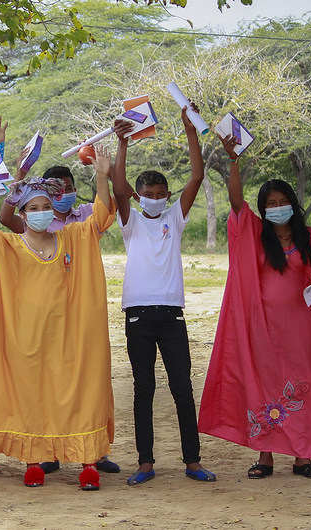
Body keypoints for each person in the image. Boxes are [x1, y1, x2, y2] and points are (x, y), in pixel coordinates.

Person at [0, 148, 117, 490]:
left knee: (82, 393)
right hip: (25, 340)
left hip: (73, 337)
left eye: (45, 207)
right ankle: (33, 461)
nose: (41, 213)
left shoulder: (74, 237)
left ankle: (88, 463)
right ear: (22, 212)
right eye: (33, 209)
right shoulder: (8, 245)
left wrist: (103, 176)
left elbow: (103, 216)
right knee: (30, 397)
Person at [197, 138, 311, 480]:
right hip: (265, 330)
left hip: (304, 330)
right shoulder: (256, 235)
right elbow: (235, 201)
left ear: (293, 204)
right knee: (266, 388)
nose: (278, 207)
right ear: (263, 209)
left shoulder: (306, 236)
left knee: (305, 387)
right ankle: (265, 456)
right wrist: (233, 161)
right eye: (271, 203)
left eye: (284, 202)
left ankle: (304, 456)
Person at [112, 104, 216, 485]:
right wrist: (122, 143)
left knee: (182, 387)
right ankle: (145, 463)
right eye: (147, 193)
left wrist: (191, 130)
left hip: (172, 315)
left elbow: (198, 175)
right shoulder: (130, 220)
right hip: (138, 314)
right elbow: (117, 186)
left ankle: (193, 461)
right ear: (138, 197)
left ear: (167, 195)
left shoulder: (175, 215)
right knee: (144, 388)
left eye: (160, 193)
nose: (154, 197)